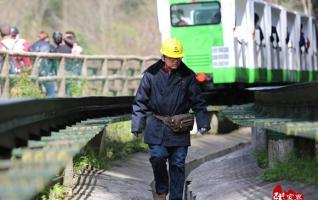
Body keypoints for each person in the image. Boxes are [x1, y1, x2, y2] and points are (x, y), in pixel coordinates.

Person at [131, 38, 210, 200]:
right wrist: (137, 125)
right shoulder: (150, 75)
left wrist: (203, 123)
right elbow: (140, 101)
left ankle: (175, 198)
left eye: (178, 58)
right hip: (156, 126)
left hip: (179, 128)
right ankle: (161, 192)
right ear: (163, 57)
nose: (175, 61)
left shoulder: (187, 76)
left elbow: (198, 102)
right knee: (157, 158)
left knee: (178, 164)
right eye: (172, 58)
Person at [29, 31, 56, 97]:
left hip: (35, 73)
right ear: (47, 38)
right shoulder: (50, 46)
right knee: (51, 94)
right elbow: (55, 60)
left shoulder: (33, 46)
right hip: (47, 73)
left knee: (36, 94)